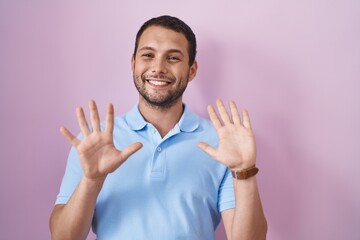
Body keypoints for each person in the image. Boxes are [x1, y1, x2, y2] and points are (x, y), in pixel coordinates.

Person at [49, 15, 267, 240]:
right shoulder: (94, 143)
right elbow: (63, 237)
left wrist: (244, 171)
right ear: (133, 63)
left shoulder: (221, 144)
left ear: (192, 70)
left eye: (172, 58)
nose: (158, 68)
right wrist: (91, 180)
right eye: (148, 55)